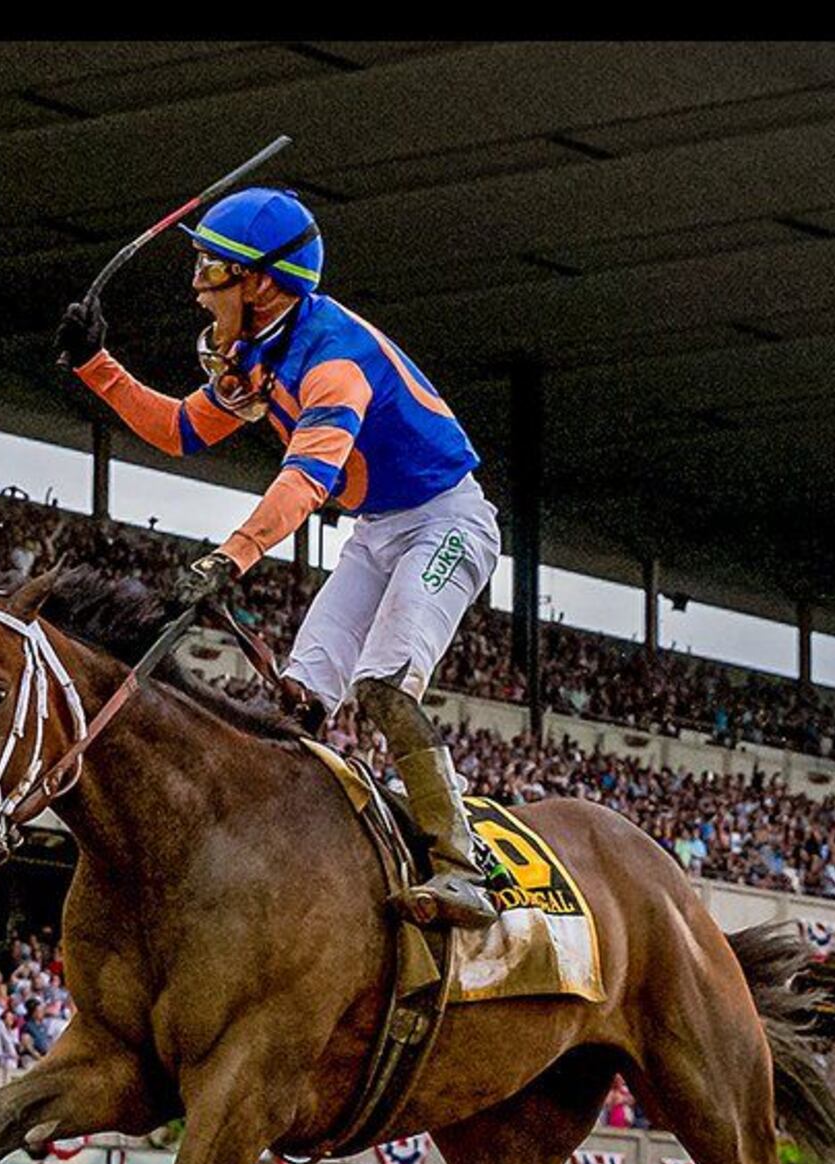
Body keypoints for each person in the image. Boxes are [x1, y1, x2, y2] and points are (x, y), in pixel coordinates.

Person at [56, 185, 510, 927]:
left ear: (263, 284)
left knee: (386, 687)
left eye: (213, 270)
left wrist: (232, 556)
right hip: (374, 530)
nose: (199, 288)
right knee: (292, 704)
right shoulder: (258, 351)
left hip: (444, 521)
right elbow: (180, 430)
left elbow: (305, 480)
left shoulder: (334, 364)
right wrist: (96, 366)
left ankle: (464, 868)